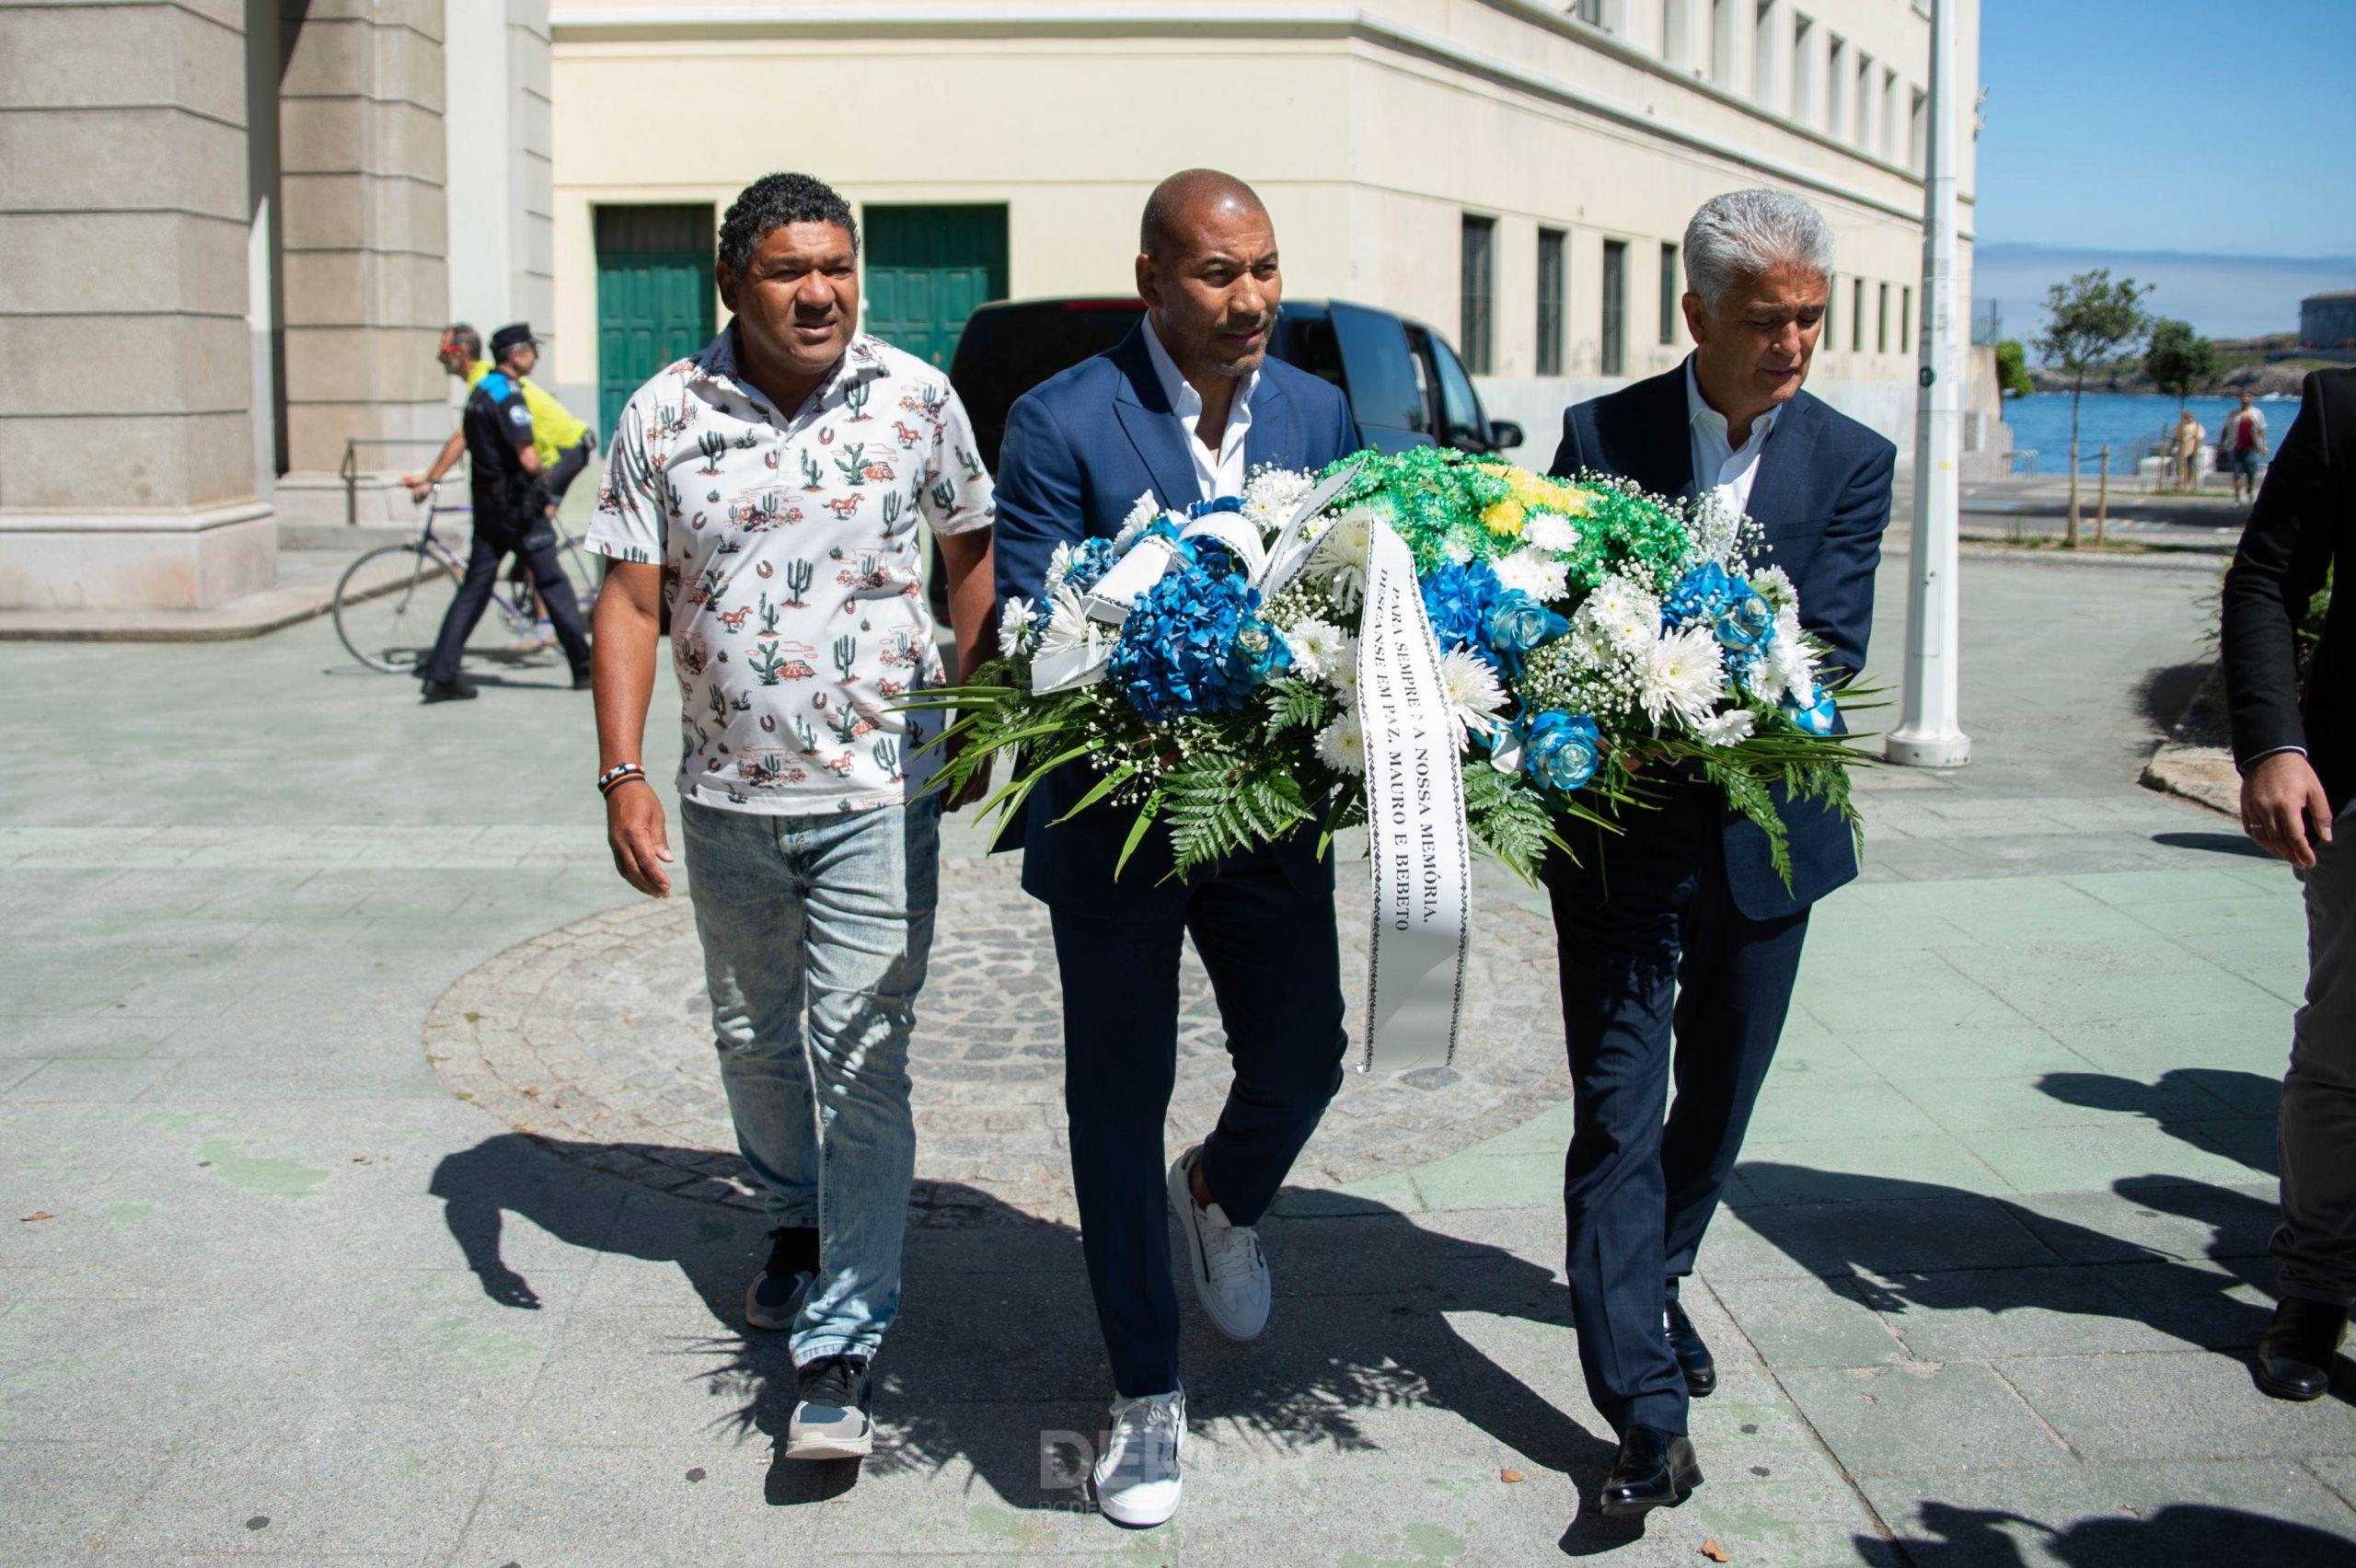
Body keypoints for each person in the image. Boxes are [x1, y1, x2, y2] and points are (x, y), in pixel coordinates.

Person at [584, 173, 996, 1461]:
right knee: (755, 1039)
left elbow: (972, 549)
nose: (820, 292)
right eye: (787, 271)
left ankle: (842, 1342)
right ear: (733, 284)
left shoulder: (916, 396)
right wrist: (620, 772)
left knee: (862, 1054)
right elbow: (630, 601)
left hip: (880, 787)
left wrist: (980, 714)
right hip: (725, 794)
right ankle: (792, 1218)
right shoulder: (663, 413)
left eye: (837, 266)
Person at [989, 169, 1357, 1529]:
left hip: (1266, 823)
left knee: (1305, 1056)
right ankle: (1144, 1389)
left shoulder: (1315, 410)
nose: (1251, 298)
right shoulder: (1060, 419)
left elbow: (1351, 587)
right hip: (1115, 825)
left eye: (1265, 269)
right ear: (1152, 280)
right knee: (1115, 1100)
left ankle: (1218, 1191)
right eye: (1218, 273)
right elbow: (1031, 620)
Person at [1542, 189, 1894, 1520]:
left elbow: (1831, 650)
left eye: (1809, 317)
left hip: (1767, 844)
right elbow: (1551, 607)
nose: (1792, 343)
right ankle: (1643, 1412)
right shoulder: (1601, 437)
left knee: (1717, 1103)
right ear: (1695, 313)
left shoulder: (1852, 461)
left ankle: (1663, 1275)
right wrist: (1605, 710)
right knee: (1616, 1114)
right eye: (1765, 320)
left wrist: (1680, 697)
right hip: (1620, 842)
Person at [2220, 367, 2353, 1403]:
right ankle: (2315, 1287)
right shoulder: (2346, 409)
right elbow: (2265, 577)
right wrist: (2274, 744)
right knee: (2346, 1051)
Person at [414, 323, 595, 702]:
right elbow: (527, 457)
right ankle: (584, 667)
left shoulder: (480, 392)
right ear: (516, 355)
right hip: (518, 510)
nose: (536, 358)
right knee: (553, 583)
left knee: (474, 589)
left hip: (488, 509)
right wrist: (542, 475)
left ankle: (440, 675)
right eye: (532, 350)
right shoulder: (510, 396)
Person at [405, 323, 598, 512]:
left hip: (566, 447)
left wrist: (431, 480)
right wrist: (429, 476)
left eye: (444, 351)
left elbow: (464, 436)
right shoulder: (487, 376)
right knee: (529, 514)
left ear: (462, 353)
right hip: (564, 447)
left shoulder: (486, 382)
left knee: (532, 517)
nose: (439, 358)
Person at [2223, 389, 2271, 503]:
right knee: (2237, 473)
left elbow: (2261, 431)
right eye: (2242, 396)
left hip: (2252, 448)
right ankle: (2237, 497)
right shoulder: (2233, 413)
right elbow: (2226, 429)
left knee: (2251, 473)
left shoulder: (2257, 413)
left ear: (2251, 398)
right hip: (2235, 448)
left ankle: (2250, 491)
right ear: (2239, 399)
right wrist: (2223, 444)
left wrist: (2264, 446)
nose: (2245, 398)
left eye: (2247, 396)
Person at [2173, 408, 2206, 493]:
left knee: (2191, 467)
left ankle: (2188, 482)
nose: (2187, 418)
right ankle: (2180, 480)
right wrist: (2174, 446)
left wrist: (2196, 449)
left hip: (2192, 449)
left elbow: (2199, 439)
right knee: (2179, 465)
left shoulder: (2197, 426)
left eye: (2188, 416)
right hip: (2182, 449)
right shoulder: (2180, 426)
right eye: (2185, 417)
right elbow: (2175, 436)